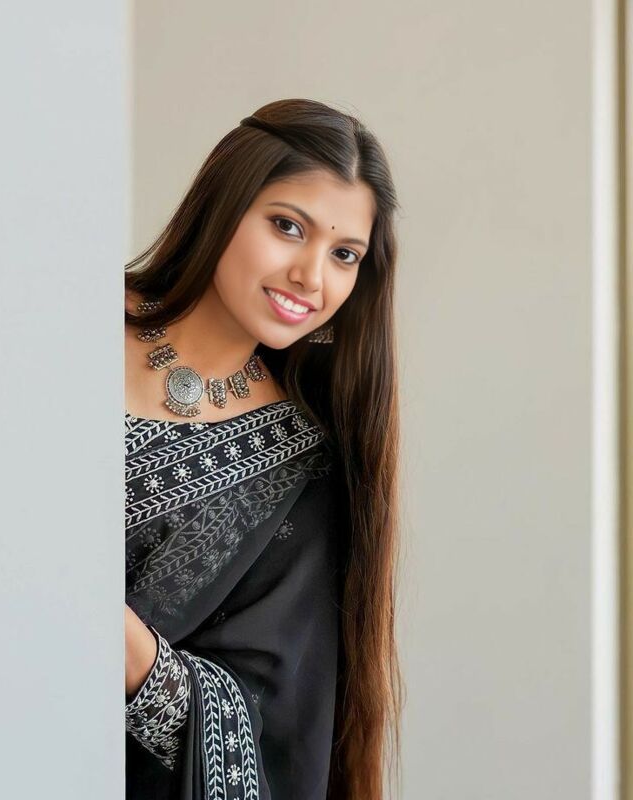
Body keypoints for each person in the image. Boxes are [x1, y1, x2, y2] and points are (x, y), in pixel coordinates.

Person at [124, 98, 404, 800]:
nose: (312, 276)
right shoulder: (56, 312)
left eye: (344, 255)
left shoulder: (298, 468)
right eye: (287, 226)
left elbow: (269, 725)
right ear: (224, 204)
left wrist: (104, 631)